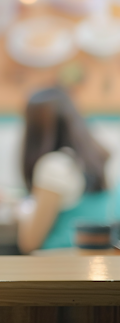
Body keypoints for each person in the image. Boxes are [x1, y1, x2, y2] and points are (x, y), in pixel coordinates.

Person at [17, 87, 118, 253]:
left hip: (59, 268)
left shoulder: (54, 166)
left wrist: (23, 211)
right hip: (95, 266)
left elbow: (29, 242)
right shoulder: (98, 159)